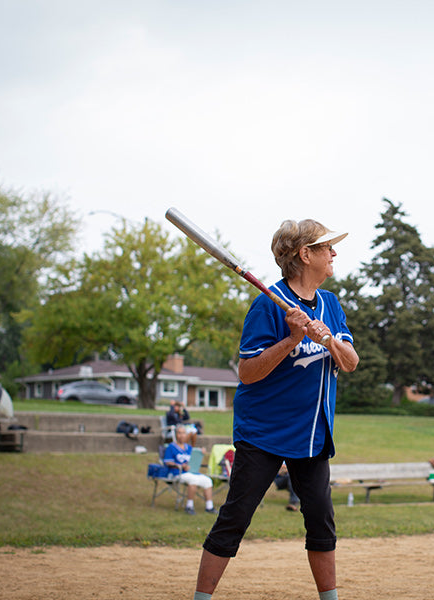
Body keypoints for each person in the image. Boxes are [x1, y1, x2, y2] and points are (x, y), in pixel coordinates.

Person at [193, 218, 359, 600]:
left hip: (312, 435)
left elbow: (349, 362)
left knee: (321, 522)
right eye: (326, 247)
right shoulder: (267, 305)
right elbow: (247, 373)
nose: (334, 253)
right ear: (306, 254)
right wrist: (293, 339)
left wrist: (327, 337)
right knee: (235, 518)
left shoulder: (330, 305)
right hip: (264, 433)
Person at [163, 425, 217, 515]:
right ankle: (189, 506)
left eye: (183, 433)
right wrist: (180, 465)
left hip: (192, 472)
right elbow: (167, 462)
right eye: (179, 433)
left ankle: (209, 506)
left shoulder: (189, 448)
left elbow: (195, 459)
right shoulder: (171, 447)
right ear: (176, 434)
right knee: (193, 480)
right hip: (178, 473)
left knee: (207, 481)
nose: (181, 435)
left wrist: (201, 452)